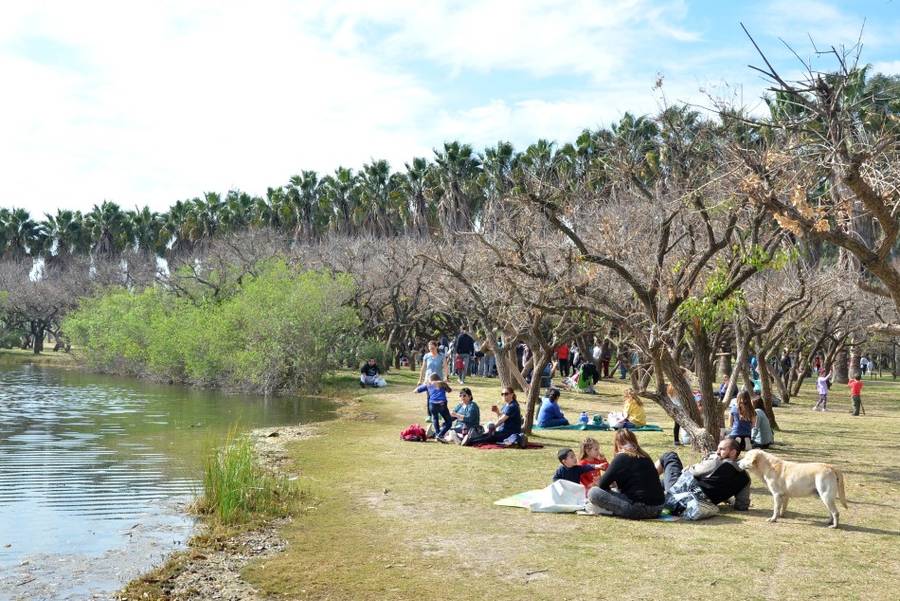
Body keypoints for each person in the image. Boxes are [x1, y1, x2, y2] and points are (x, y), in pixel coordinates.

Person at [657, 437, 751, 518]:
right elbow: (742, 505)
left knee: (670, 456)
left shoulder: (717, 462)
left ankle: (648, 477)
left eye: (722, 449)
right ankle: (648, 484)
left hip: (676, 496)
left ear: (733, 452)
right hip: (693, 506)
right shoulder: (746, 479)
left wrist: (689, 468)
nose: (717, 452)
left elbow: (690, 472)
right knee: (660, 482)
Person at [586, 429, 665, 519]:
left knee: (594, 492)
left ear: (618, 444)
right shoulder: (645, 456)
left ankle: (607, 510)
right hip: (659, 507)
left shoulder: (621, 457)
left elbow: (602, 484)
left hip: (640, 508)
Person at [414, 374, 453, 442]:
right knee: (449, 422)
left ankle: (437, 434)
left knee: (435, 418)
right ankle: (440, 435)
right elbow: (449, 390)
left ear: (431, 379)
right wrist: (445, 384)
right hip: (442, 404)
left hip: (432, 404)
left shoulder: (428, 384)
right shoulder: (442, 383)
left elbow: (416, 391)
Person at [419, 340, 449, 417]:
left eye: (433, 348)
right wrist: (420, 379)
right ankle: (429, 415)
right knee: (429, 397)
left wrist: (446, 377)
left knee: (440, 397)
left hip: (439, 380)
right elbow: (423, 368)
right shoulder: (426, 356)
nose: (431, 350)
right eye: (430, 348)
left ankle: (439, 413)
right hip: (428, 380)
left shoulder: (442, 356)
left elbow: (445, 367)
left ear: (436, 347)